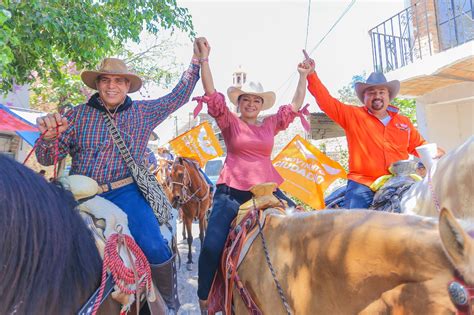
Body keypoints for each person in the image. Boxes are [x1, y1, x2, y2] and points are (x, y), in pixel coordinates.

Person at [34, 37, 211, 312]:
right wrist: (47, 138)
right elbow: (47, 158)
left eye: (119, 81)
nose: (112, 86)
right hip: (79, 193)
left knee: (155, 246)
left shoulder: (143, 113)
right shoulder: (76, 115)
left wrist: (196, 63)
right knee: (39, 239)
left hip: (125, 192)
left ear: (128, 85)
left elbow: (178, 96)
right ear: (98, 84)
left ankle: (166, 306)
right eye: (106, 80)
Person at [195, 40, 314, 311]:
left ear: (262, 105)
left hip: (267, 189)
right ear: (239, 103)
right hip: (232, 191)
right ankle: (204, 299)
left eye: (256, 100)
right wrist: (205, 61)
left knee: (305, 225)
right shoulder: (228, 120)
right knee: (212, 247)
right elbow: (211, 92)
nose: (251, 103)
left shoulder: (270, 123)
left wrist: (302, 76)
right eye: (246, 99)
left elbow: (295, 105)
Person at [306, 66, 445, 208]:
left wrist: (444, 156)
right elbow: (325, 101)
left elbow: (420, 146)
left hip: (399, 182)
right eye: (371, 93)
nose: (377, 96)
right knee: (356, 224)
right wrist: (311, 75)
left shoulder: (403, 122)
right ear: (364, 97)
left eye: (381, 92)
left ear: (388, 96)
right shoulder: (352, 115)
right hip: (363, 184)